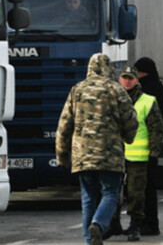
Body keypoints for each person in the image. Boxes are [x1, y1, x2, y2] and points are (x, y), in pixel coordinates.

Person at [56, 53, 139, 245]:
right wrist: (128, 138)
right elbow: (131, 121)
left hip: (82, 155)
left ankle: (89, 241)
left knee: (88, 198)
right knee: (110, 193)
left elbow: (64, 125)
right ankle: (99, 224)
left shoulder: (77, 90)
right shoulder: (116, 90)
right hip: (110, 155)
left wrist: (62, 154)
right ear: (110, 69)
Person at [117, 65, 163, 242]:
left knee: (136, 193)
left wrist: (153, 153)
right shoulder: (113, 100)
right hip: (117, 155)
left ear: (137, 80)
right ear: (119, 80)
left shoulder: (148, 101)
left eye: (131, 78)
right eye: (124, 78)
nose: (127, 81)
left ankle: (136, 224)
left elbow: (156, 129)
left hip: (139, 156)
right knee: (113, 192)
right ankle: (113, 224)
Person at [132, 57, 163, 236]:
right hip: (151, 146)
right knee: (149, 187)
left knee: (141, 190)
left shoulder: (144, 90)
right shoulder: (159, 87)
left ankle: (147, 223)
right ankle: (151, 223)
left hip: (140, 147)